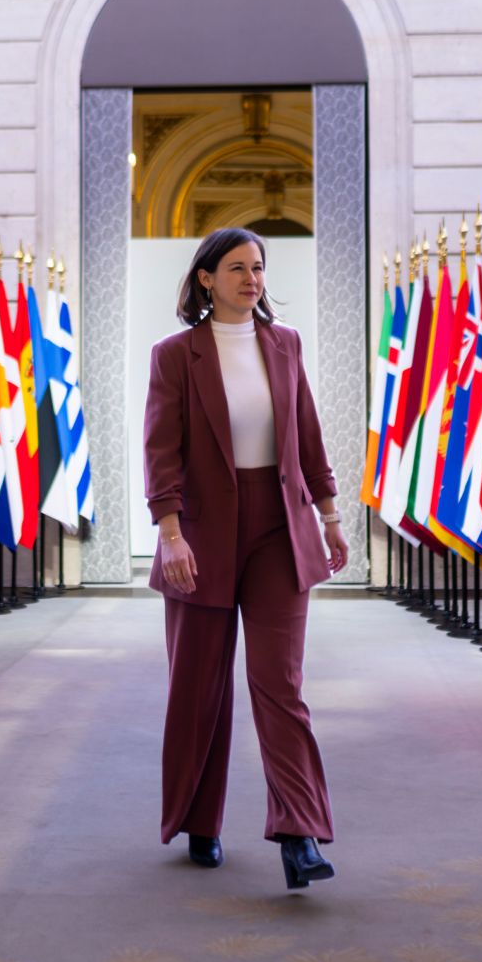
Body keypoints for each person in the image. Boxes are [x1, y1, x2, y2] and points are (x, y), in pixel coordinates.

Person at [142, 228, 348, 891]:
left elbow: (307, 436)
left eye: (257, 267)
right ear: (206, 278)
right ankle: (201, 821)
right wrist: (170, 535)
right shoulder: (176, 356)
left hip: (277, 533)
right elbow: (160, 452)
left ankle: (299, 833)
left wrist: (330, 517)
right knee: (199, 687)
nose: (251, 278)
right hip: (201, 535)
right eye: (236, 268)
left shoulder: (283, 344)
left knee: (278, 684)